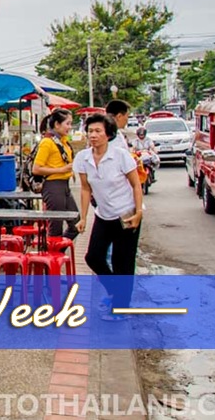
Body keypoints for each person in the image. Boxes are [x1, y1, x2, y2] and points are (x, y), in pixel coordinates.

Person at [74, 114, 144, 320]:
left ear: (108, 134)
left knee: (122, 262)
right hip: (103, 215)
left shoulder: (120, 155)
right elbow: (86, 189)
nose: (93, 135)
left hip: (126, 214)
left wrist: (139, 212)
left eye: (98, 131)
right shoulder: (83, 158)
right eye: (90, 131)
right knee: (93, 257)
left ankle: (120, 307)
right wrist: (84, 217)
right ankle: (116, 292)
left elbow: (136, 184)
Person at [32, 109, 78, 240]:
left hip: (64, 186)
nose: (69, 127)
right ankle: (52, 256)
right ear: (57, 124)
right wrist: (62, 170)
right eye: (67, 124)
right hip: (53, 186)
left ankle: (56, 252)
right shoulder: (47, 142)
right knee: (55, 227)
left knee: (76, 223)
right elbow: (36, 169)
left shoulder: (62, 141)